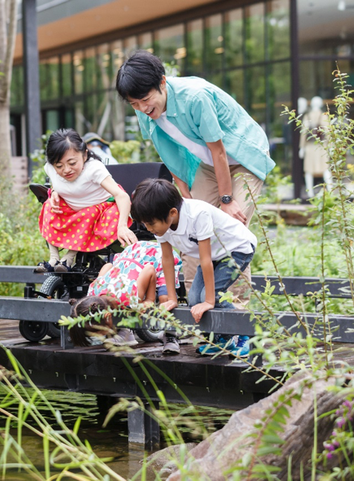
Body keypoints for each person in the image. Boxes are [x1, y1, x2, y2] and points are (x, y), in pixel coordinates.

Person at [115, 50, 274, 302]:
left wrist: (226, 199)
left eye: (145, 100)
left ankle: (239, 315)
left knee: (233, 232)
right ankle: (195, 309)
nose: (142, 108)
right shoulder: (143, 109)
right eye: (134, 104)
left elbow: (219, 150)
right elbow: (169, 150)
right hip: (209, 163)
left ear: (163, 83)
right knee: (185, 225)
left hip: (241, 156)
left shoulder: (195, 98)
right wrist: (183, 189)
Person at [130, 178, 257, 357]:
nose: (148, 228)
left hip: (237, 249)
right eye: (145, 224)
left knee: (207, 297)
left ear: (172, 212)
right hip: (215, 254)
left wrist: (210, 301)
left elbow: (205, 260)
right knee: (194, 298)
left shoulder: (198, 214)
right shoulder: (160, 224)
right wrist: (172, 298)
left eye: (150, 224)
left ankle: (245, 335)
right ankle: (224, 339)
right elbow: (167, 259)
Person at [36, 128, 138, 273]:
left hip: (98, 209)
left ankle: (69, 258)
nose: (66, 170)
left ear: (84, 155)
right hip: (72, 208)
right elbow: (55, 182)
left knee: (88, 213)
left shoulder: (94, 169)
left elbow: (121, 195)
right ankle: (54, 258)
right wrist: (53, 192)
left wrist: (122, 226)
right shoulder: (51, 167)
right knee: (48, 206)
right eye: (59, 166)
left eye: (72, 163)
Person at [68, 240, 182, 350]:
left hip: (156, 256)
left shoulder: (131, 297)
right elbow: (107, 266)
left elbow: (150, 269)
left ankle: (170, 335)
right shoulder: (93, 291)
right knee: (124, 307)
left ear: (108, 315)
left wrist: (149, 299)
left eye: (99, 333)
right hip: (130, 257)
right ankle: (124, 333)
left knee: (165, 299)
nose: (99, 337)